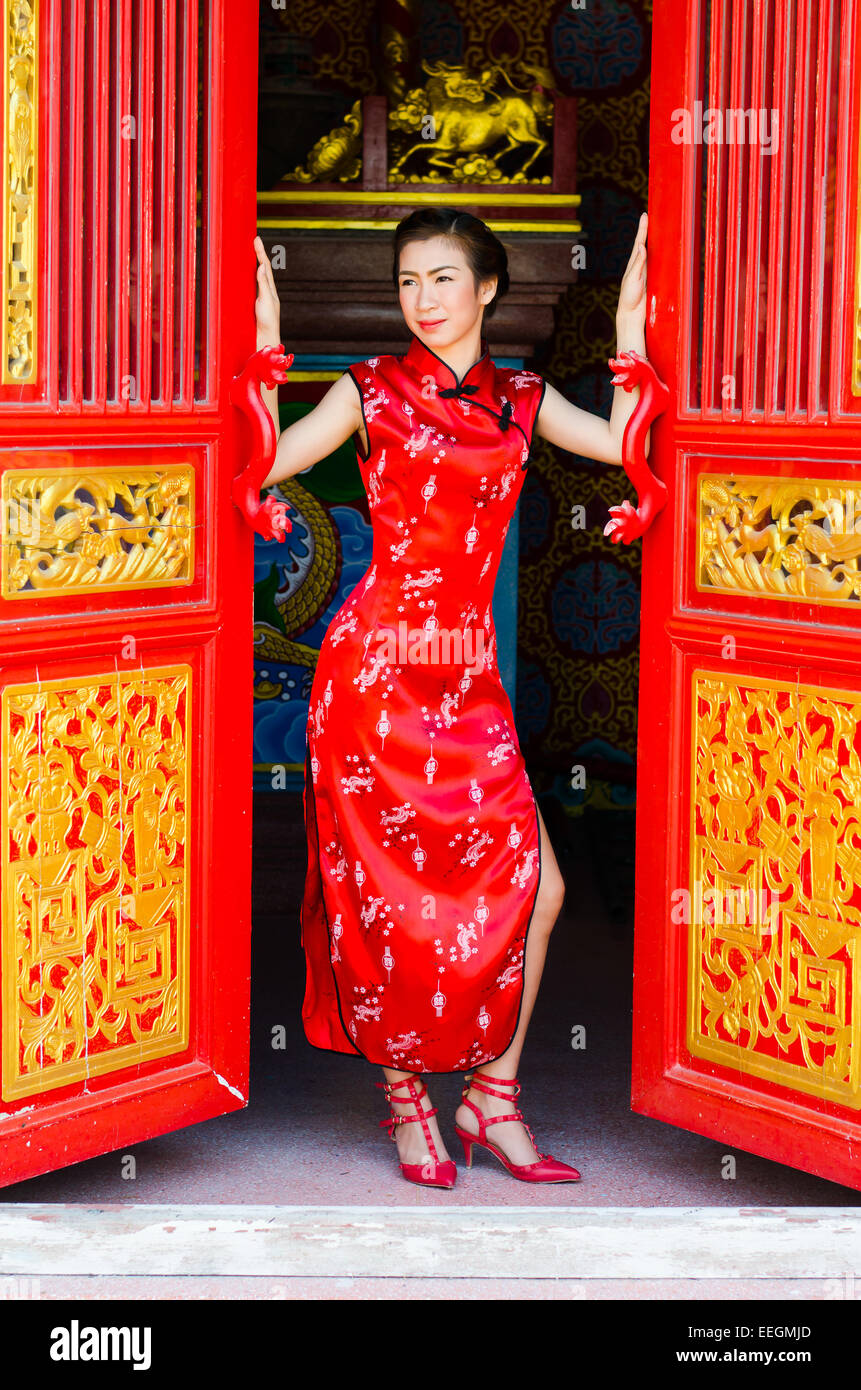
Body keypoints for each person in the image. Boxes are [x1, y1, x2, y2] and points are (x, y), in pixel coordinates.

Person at [252, 207, 649, 1188]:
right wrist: (267, 337)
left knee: (540, 890)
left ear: (489, 290)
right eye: (406, 282)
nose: (422, 301)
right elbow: (262, 462)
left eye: (441, 279)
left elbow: (624, 448)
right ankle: (404, 1101)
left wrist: (631, 327)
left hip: (465, 680)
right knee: (386, 906)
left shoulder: (523, 396)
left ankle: (491, 1096)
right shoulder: (369, 391)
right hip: (375, 675)